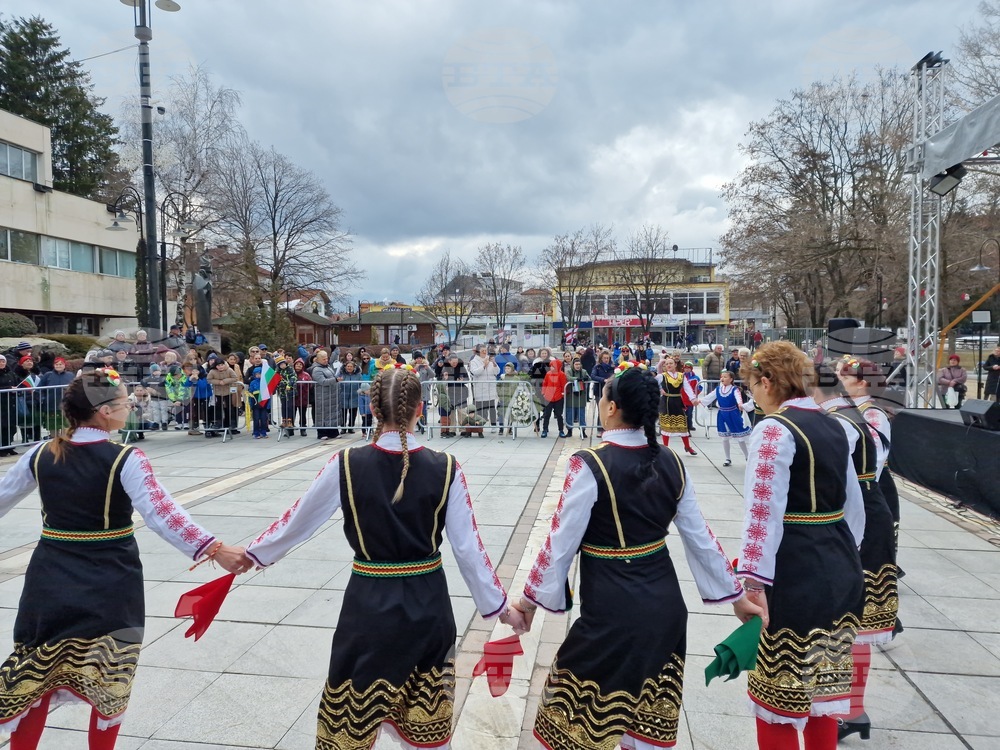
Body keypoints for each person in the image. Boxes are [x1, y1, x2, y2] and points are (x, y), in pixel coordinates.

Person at [241, 367, 525, 749]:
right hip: (428, 606)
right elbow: (468, 549)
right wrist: (502, 609)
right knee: (426, 728)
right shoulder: (446, 468)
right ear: (420, 409)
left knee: (351, 724)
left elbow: (296, 522)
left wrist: (250, 556)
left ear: (373, 409)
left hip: (367, 607)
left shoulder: (346, 463)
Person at [515, 364, 760, 749]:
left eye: (603, 398)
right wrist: (737, 599)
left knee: (572, 726)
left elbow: (560, 542)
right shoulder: (672, 461)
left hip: (613, 611)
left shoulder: (591, 463)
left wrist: (529, 603)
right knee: (642, 729)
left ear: (612, 408)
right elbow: (701, 539)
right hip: (665, 610)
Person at [0, 369, 246, 749]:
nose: (129, 405)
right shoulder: (125, 458)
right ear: (103, 411)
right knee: (111, 675)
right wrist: (215, 548)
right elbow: (161, 513)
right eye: (123, 401)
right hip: (111, 578)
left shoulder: (41, 453)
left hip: (50, 577)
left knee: (36, 675)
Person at [736, 342, 865, 750]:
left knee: (778, 697)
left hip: (794, 570)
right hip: (838, 562)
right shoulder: (835, 424)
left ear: (767, 381)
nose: (753, 395)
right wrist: (845, 557)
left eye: (753, 386)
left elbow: (762, 513)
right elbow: (854, 506)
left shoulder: (775, 429)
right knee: (820, 696)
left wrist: (752, 582)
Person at [812, 362, 897, 742]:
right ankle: (845, 706)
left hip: (860, 517)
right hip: (862, 513)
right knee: (851, 621)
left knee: (858, 624)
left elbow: (865, 473)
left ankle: (852, 708)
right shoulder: (847, 416)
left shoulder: (856, 418)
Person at [695, 370, 752, 466]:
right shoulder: (718, 389)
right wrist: (700, 401)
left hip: (733, 414)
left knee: (740, 437)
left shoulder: (734, 389)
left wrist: (740, 404)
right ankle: (727, 458)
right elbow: (709, 397)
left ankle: (747, 457)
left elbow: (738, 398)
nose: (722, 378)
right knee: (725, 438)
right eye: (722, 377)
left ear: (731, 379)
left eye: (725, 377)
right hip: (722, 415)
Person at [655, 358, 698, 455]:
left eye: (671, 363)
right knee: (666, 426)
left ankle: (687, 446)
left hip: (677, 401)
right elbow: (652, 383)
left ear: (675, 364)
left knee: (682, 425)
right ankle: (666, 448)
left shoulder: (681, 376)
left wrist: (692, 399)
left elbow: (687, 388)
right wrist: (660, 389)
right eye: (667, 364)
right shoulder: (662, 376)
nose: (669, 365)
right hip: (666, 402)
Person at [36, 357, 73, 437]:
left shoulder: (70, 375)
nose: (58, 366)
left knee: (66, 426)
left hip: (66, 405)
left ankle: (64, 442)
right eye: (56, 364)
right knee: (53, 427)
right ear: (54, 365)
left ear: (64, 365)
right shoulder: (48, 375)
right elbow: (39, 389)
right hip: (51, 405)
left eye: (60, 364)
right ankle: (55, 441)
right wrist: (42, 399)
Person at [310, 350, 341, 440]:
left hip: (331, 395)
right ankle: (321, 433)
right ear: (318, 359)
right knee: (322, 414)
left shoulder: (328, 367)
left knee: (332, 414)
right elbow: (322, 381)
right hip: (322, 396)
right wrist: (335, 380)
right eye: (324, 359)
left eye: (326, 358)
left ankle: (333, 432)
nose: (326, 360)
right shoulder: (316, 369)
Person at [468, 346, 500, 429]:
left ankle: (493, 425)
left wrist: (495, 364)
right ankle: (479, 427)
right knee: (480, 409)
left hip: (490, 389)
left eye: (485, 350)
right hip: (480, 389)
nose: (485, 352)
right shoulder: (474, 361)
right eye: (483, 350)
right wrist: (484, 366)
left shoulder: (490, 359)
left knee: (492, 408)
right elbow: (475, 372)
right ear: (478, 351)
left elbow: (497, 372)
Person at [539, 358, 567, 438]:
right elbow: (545, 384)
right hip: (549, 397)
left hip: (558, 397)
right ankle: (545, 429)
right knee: (547, 414)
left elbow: (564, 385)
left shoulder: (561, 374)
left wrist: (562, 394)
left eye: (552, 366)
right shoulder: (548, 374)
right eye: (551, 366)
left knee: (559, 415)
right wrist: (543, 393)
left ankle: (561, 430)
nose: (551, 367)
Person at [565, 356, 590, 438]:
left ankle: (582, 430)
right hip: (571, 397)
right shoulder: (569, 371)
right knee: (570, 414)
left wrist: (585, 378)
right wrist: (577, 379)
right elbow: (568, 378)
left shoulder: (584, 371)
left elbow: (589, 378)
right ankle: (569, 430)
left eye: (579, 364)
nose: (578, 366)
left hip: (581, 396)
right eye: (576, 364)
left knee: (581, 415)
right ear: (573, 365)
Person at [274, 356, 297, 437]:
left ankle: (290, 421)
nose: (282, 366)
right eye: (280, 365)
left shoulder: (290, 369)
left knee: (289, 406)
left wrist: (289, 384)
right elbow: (275, 380)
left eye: (283, 364)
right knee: (283, 406)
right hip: (282, 392)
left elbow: (293, 377)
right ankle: (284, 420)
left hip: (289, 392)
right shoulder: (277, 371)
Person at [0, 357, 19, 456]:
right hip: (1, 403)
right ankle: (2, 447)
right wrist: (8, 388)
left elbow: (17, 382)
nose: (1, 363)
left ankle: (8, 445)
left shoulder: (10, 373)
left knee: (11, 426)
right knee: (2, 426)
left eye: (3, 361)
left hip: (11, 403)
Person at [338, 359, 361, 433]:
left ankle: (351, 427)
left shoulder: (358, 375)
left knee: (353, 413)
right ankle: (343, 427)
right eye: (348, 366)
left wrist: (359, 391)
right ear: (345, 367)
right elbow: (337, 382)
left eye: (351, 366)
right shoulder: (341, 374)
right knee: (343, 413)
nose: (349, 368)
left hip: (354, 396)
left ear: (354, 367)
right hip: (343, 396)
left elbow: (361, 384)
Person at [292, 358, 313, 436]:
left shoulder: (306, 375)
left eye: (300, 364)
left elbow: (311, 385)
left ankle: (303, 429)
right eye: (297, 364)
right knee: (291, 415)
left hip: (303, 398)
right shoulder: (291, 374)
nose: (298, 366)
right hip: (293, 398)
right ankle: (290, 430)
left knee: (303, 415)